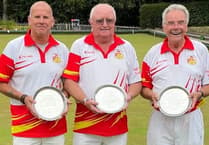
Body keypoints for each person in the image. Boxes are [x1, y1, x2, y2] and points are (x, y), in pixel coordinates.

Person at [62, 3, 141, 145]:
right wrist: (85, 100)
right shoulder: (79, 46)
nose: (105, 24)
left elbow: (136, 82)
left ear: (114, 22)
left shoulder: (127, 47)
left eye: (109, 20)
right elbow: (69, 81)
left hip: (117, 126)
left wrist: (128, 97)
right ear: (91, 22)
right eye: (99, 21)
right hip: (85, 126)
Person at [0, 1, 69, 145]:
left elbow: (68, 82)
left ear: (52, 21)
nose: (41, 21)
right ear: (29, 20)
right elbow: (1, 82)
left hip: (55, 126)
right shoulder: (14, 47)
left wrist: (65, 97)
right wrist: (23, 97)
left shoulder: (62, 50)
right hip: (24, 128)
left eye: (45, 17)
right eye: (37, 17)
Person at [141, 4, 209, 145]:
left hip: (190, 118)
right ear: (164, 26)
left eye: (180, 22)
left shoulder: (201, 51)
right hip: (160, 118)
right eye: (170, 23)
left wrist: (200, 93)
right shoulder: (153, 53)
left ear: (186, 25)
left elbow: (207, 84)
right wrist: (150, 95)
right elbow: (144, 86)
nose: (175, 27)